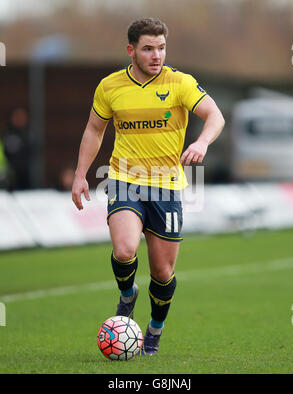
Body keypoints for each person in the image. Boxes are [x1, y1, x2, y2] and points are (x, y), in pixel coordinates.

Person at [72, 17, 225, 355]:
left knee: (162, 272)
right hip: (125, 181)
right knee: (125, 249)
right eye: (148, 49)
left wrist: (202, 143)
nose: (156, 55)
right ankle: (128, 296)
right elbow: (94, 130)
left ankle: (154, 331)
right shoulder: (110, 87)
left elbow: (216, 116)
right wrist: (81, 173)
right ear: (131, 51)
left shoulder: (180, 83)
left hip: (167, 188)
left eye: (161, 48)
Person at [2, 107, 31, 190]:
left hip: (27, 177)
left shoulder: (30, 135)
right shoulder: (8, 135)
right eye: (17, 116)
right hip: (10, 177)